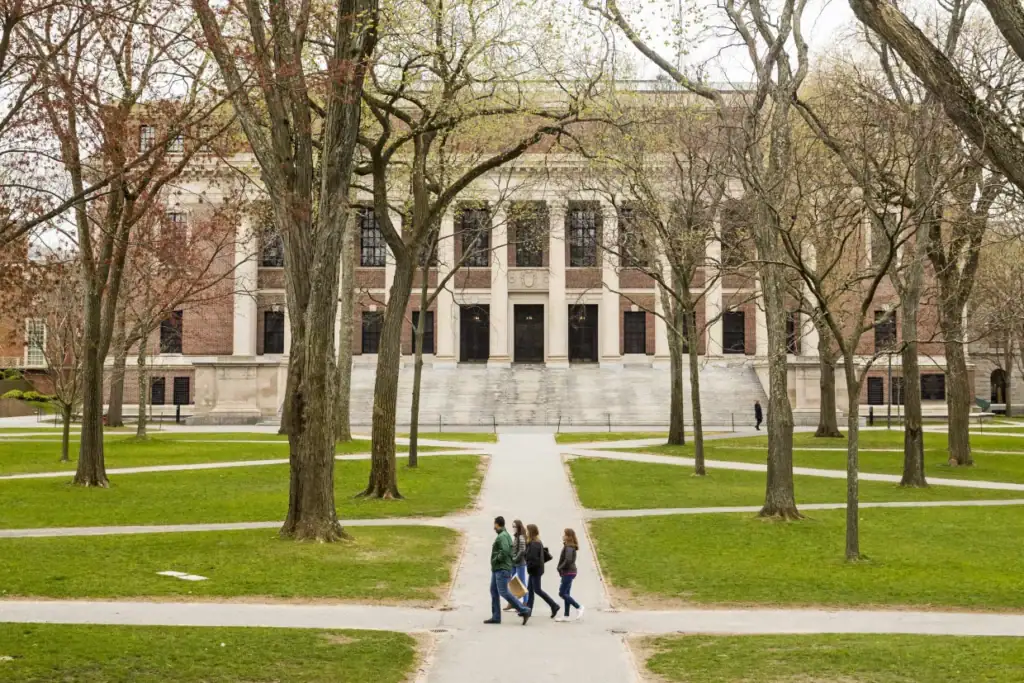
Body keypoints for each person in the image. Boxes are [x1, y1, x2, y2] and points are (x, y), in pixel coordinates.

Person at [484, 516, 531, 625]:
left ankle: (524, 610)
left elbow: (505, 550)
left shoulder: (502, 536)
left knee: (503, 592)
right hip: (497, 568)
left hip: (501, 568)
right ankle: (496, 616)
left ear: (497, 524)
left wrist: (496, 559)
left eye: (494, 524)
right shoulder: (504, 535)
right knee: (494, 590)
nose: (493, 527)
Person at [524, 523, 560, 619]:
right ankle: (528, 610)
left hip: (535, 570)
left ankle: (554, 605)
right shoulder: (535, 542)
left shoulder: (534, 543)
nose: (526, 532)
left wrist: (528, 564)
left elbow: (533, 559)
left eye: (527, 530)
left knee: (537, 590)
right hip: (535, 569)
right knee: (530, 590)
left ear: (530, 532)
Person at [555, 527, 584, 622]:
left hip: (568, 572)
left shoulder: (569, 547)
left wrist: (560, 567)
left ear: (568, 536)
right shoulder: (569, 546)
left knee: (562, 593)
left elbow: (568, 560)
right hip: (569, 572)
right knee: (566, 593)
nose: (562, 536)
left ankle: (579, 607)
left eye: (564, 534)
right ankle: (566, 616)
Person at [504, 520, 529, 612]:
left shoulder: (521, 537)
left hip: (520, 563)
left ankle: (525, 603)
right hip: (514, 563)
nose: (513, 528)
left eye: (515, 526)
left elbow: (522, 550)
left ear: (519, 527)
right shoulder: (516, 536)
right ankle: (513, 602)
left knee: (522, 583)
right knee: (509, 580)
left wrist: (515, 558)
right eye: (512, 526)